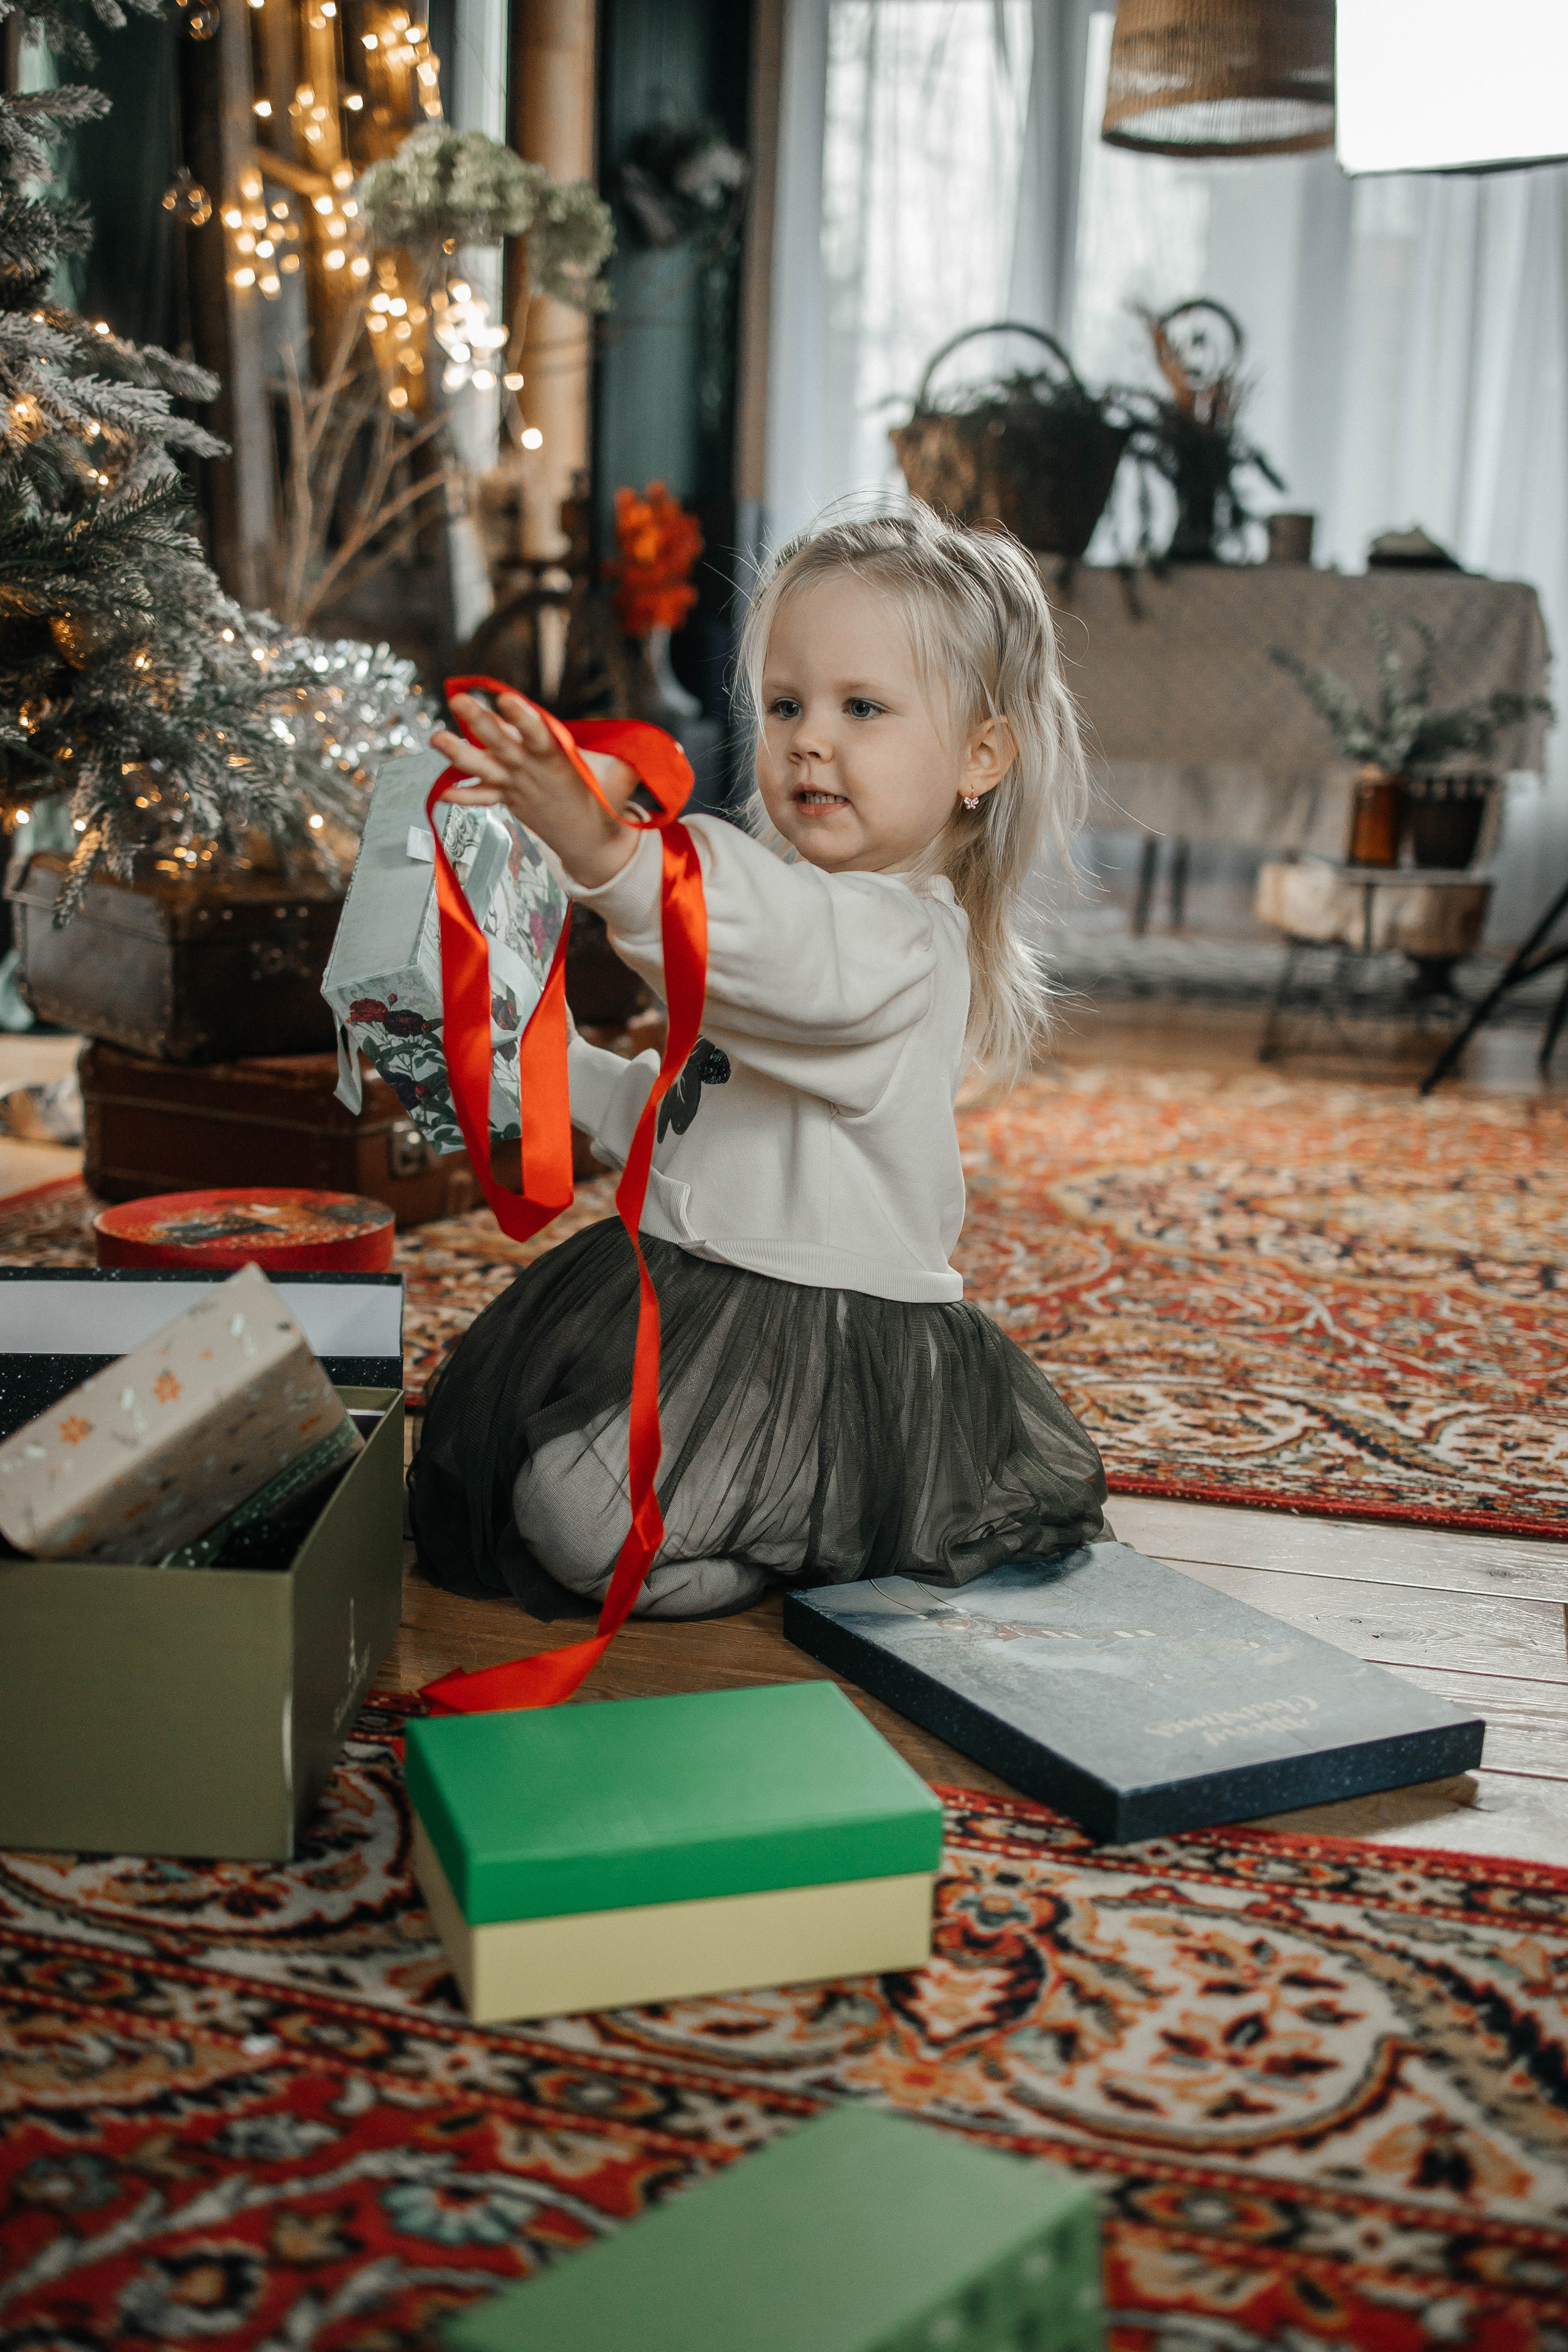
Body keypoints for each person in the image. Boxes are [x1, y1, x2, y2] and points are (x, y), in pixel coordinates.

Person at [409, 504, 1109, 1620]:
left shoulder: (899, 942)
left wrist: (608, 852)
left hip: (820, 1334)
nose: (809, 740)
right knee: (527, 1472)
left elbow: (778, 945)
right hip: (707, 1277)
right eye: (787, 705)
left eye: (862, 708)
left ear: (981, 755)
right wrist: (552, 1064)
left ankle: (802, 1516)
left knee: (574, 1521)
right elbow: (702, 1115)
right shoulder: (811, 909)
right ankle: (771, 1516)